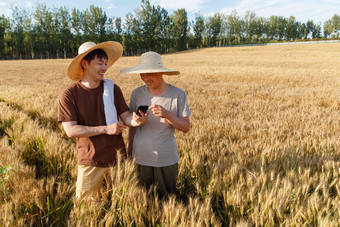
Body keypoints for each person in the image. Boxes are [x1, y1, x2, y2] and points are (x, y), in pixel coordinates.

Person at [58, 41, 147, 200]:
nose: (104, 68)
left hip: (117, 160)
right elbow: (71, 130)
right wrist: (106, 128)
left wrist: (136, 121)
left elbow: (125, 115)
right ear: (84, 63)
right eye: (100, 63)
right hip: (90, 161)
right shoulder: (69, 95)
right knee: (86, 208)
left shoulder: (113, 88)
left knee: (122, 203)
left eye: (106, 63)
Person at [121, 51, 191, 197]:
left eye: (150, 73)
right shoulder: (137, 93)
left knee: (167, 200)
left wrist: (168, 115)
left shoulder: (178, 94)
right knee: (142, 200)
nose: (145, 78)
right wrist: (130, 152)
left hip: (166, 159)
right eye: (142, 74)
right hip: (140, 157)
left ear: (161, 72)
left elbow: (185, 127)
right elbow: (132, 127)